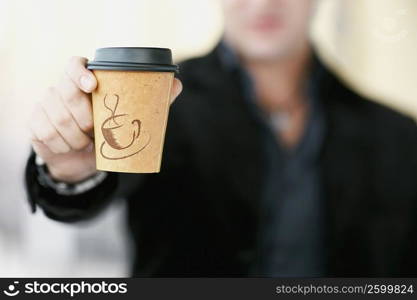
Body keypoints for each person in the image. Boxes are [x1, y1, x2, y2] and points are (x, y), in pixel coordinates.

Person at [25, 0, 417, 277]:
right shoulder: (156, 99)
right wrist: (70, 171)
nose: (263, 3)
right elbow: (86, 192)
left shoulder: (397, 136)